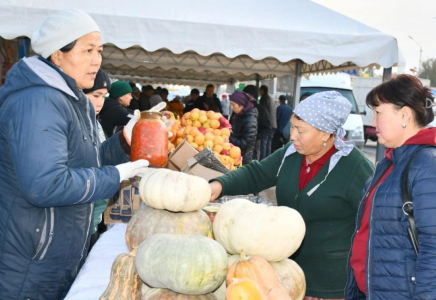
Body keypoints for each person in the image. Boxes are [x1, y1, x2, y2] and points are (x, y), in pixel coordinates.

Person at [0, 9, 150, 299]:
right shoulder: (38, 100)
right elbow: (45, 184)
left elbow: (84, 164)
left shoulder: (69, 97)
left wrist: (124, 141)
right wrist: (115, 176)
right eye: (88, 50)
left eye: (100, 51)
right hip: (31, 263)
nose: (97, 60)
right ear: (57, 55)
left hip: (53, 253)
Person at [210, 91, 374, 300]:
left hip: (331, 286)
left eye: (300, 130)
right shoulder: (291, 154)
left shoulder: (356, 168)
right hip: (287, 277)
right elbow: (256, 173)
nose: (292, 135)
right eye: (293, 127)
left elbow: (374, 226)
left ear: (325, 133)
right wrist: (219, 185)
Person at [346, 75, 436, 300]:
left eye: (378, 113)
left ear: (404, 114)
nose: (373, 122)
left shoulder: (426, 165)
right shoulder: (390, 161)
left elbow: (433, 247)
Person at [83, 69, 112, 248]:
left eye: (103, 96)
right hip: (84, 216)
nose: (100, 102)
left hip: (94, 215)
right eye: (95, 95)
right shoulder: (78, 124)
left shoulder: (95, 122)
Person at [229, 90, 258, 164]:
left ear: (241, 105)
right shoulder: (238, 114)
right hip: (235, 154)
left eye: (233, 105)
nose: (231, 108)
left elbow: (245, 144)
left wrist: (229, 137)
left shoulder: (250, 120)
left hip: (243, 159)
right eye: (231, 104)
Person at [243, 84, 271, 161]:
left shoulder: (261, 110)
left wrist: (255, 136)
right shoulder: (239, 108)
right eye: (245, 95)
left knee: (251, 166)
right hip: (239, 143)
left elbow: (267, 128)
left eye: (249, 95)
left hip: (254, 145)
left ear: (254, 96)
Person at [259, 85, 277, 158]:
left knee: (264, 142)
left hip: (268, 124)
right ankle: (268, 159)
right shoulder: (270, 98)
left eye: (259, 90)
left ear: (262, 91)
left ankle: (263, 160)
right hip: (273, 124)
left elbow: (263, 111)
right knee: (268, 143)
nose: (259, 92)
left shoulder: (264, 98)